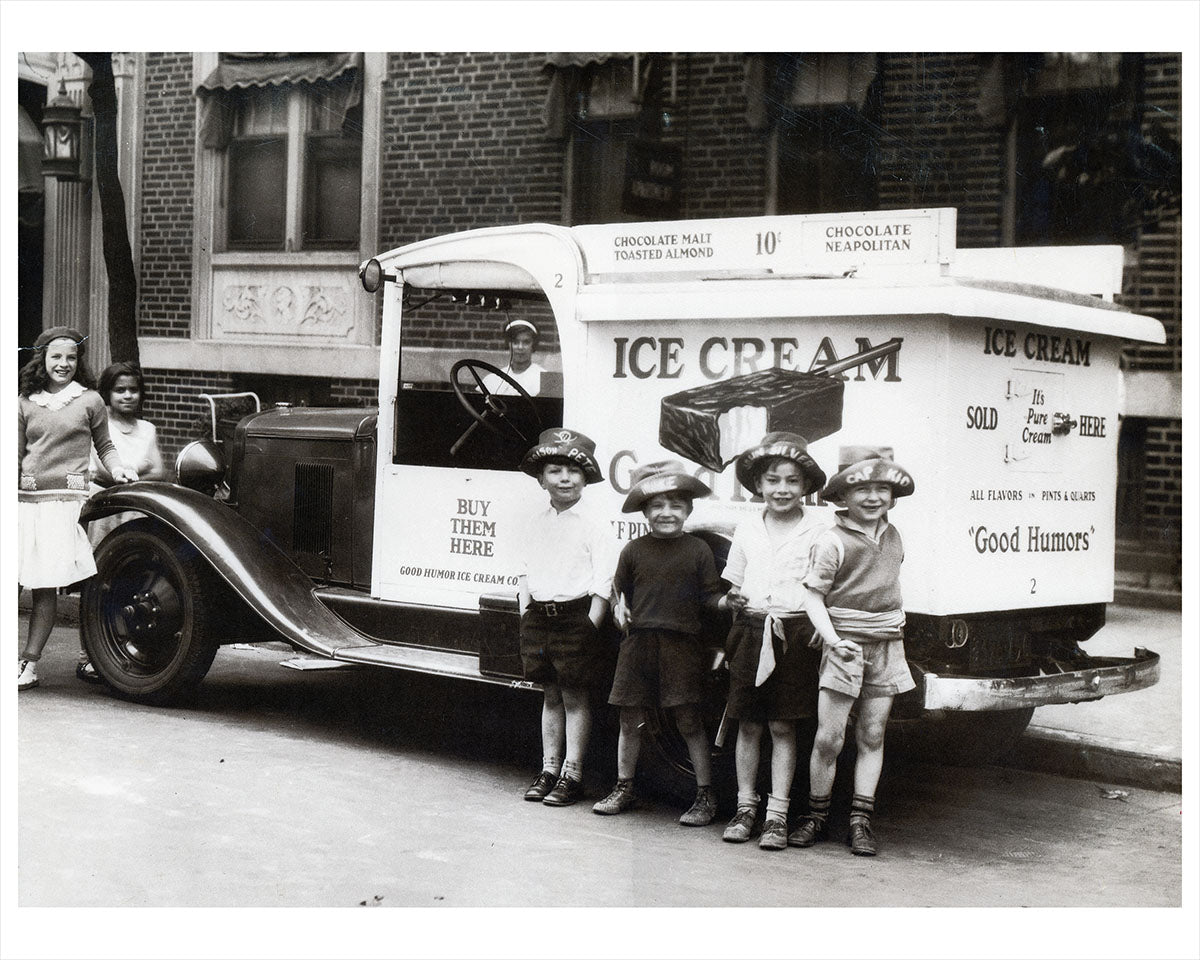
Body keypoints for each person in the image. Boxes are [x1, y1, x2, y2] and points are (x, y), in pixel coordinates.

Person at [790, 446, 916, 857]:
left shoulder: (894, 534)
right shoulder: (832, 541)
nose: (873, 497)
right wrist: (833, 639)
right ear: (843, 495)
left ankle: (861, 822)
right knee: (829, 738)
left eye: (882, 488)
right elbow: (812, 596)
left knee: (873, 733)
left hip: (887, 644)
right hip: (844, 647)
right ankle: (817, 816)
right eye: (862, 488)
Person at [593, 461, 732, 827]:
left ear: (687, 510)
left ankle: (705, 795)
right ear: (645, 512)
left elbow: (709, 598)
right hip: (637, 646)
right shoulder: (633, 550)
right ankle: (624, 787)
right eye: (657, 505)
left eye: (675, 505)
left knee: (688, 721)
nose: (666, 512)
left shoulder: (698, 550)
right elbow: (618, 594)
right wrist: (617, 611)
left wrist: (728, 603)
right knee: (629, 720)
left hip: (681, 646)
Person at [719, 432, 832, 851]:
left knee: (783, 725)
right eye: (772, 480)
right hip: (750, 631)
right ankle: (745, 808)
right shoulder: (747, 527)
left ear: (805, 486)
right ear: (758, 485)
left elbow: (826, 588)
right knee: (747, 723)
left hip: (795, 634)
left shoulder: (820, 529)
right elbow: (732, 584)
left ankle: (777, 814)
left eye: (791, 481)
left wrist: (824, 625)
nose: (782, 489)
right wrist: (730, 600)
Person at [18, 327, 138, 690]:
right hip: (25, 503)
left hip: (65, 504)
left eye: (71, 357)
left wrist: (118, 467)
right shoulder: (23, 401)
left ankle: (29, 663)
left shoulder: (90, 401)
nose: (64, 364)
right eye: (56, 356)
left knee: (45, 586)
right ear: (42, 359)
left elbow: (105, 446)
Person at [515, 427, 612, 806]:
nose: (565, 478)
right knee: (549, 694)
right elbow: (524, 570)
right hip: (540, 616)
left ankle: (572, 773)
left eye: (574, 471)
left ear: (585, 478)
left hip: (576, 618)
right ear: (541, 479)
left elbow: (603, 581)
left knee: (575, 696)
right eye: (555, 471)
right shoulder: (535, 523)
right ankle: (548, 768)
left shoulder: (593, 524)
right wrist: (526, 609)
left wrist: (592, 624)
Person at [74, 362, 167, 683]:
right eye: (120, 390)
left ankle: (120, 652)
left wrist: (132, 475)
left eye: (134, 390)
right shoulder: (100, 426)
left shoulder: (147, 430)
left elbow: (158, 470)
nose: (128, 396)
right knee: (98, 581)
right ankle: (88, 656)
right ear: (107, 394)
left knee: (131, 582)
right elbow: (92, 468)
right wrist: (120, 475)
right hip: (106, 509)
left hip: (135, 513)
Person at [481, 317, 545, 396]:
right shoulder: (493, 378)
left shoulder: (543, 379)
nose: (520, 347)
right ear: (508, 344)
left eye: (526, 342)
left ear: (533, 345)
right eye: (515, 342)